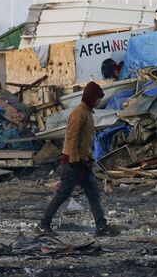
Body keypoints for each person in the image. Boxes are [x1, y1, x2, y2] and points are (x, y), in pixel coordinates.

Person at [37, 82, 120, 237]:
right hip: (73, 162)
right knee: (63, 193)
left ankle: (101, 226)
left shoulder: (88, 112)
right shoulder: (78, 113)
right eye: (97, 99)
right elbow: (71, 138)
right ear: (90, 97)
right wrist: (74, 159)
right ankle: (43, 224)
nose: (98, 102)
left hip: (83, 161)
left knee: (93, 192)